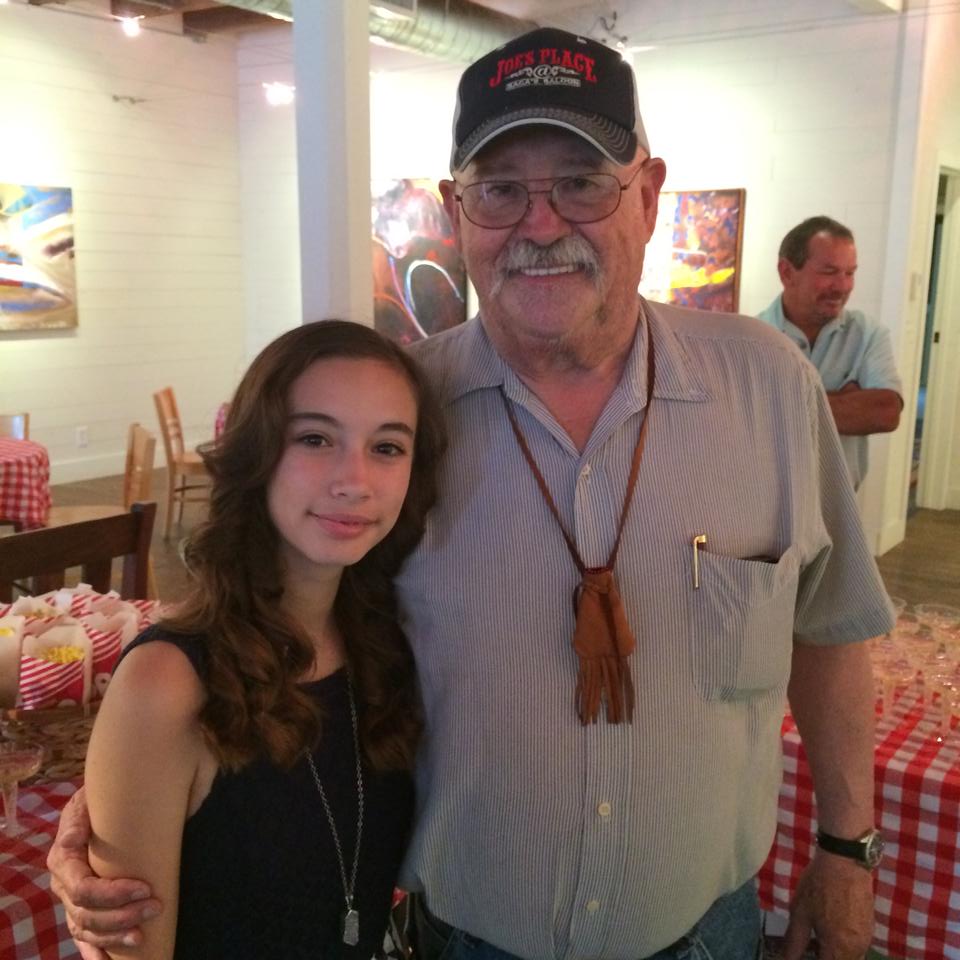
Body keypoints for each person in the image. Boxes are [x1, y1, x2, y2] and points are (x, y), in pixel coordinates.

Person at [49, 27, 892, 960]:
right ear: (457, 211)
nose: (539, 224)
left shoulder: (771, 387)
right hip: (460, 938)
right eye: (500, 190)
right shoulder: (399, 419)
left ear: (648, 196)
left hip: (705, 931)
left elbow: (829, 630)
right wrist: (127, 783)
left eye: (580, 181)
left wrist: (848, 850)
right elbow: (276, 619)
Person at [76, 319, 445, 959]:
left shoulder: (387, 647)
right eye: (314, 438)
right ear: (256, 452)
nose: (354, 479)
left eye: (387, 447)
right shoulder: (167, 683)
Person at [758, 216, 903, 489]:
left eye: (850, 273)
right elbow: (742, 422)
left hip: (838, 510)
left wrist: (778, 404)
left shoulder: (868, 334)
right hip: (766, 505)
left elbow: (886, 412)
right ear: (786, 272)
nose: (843, 286)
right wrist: (845, 400)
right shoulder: (752, 339)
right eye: (829, 272)